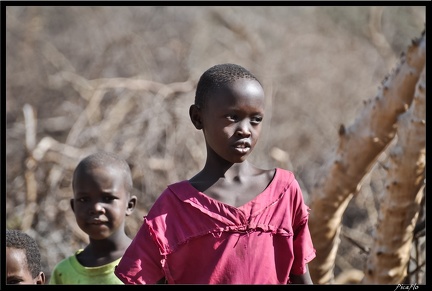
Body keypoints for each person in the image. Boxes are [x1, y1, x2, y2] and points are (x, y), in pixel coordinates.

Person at [114, 63, 316, 284]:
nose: (245, 130)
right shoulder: (174, 207)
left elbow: (299, 274)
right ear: (197, 117)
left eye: (255, 119)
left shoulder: (284, 191)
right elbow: (139, 275)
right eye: (232, 117)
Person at [49, 151, 138, 284]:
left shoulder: (145, 264)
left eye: (108, 198)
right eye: (84, 199)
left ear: (129, 205)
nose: (96, 208)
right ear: (74, 207)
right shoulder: (63, 273)